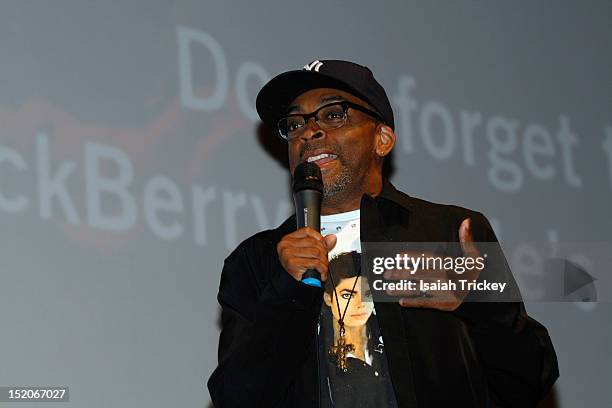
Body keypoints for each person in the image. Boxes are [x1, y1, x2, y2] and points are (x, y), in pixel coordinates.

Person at [207, 59, 559, 408]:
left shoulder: (446, 233)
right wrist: (287, 292)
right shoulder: (258, 260)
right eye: (295, 123)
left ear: (383, 139)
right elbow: (235, 398)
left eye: (333, 114)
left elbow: (530, 379)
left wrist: (479, 304)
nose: (309, 131)